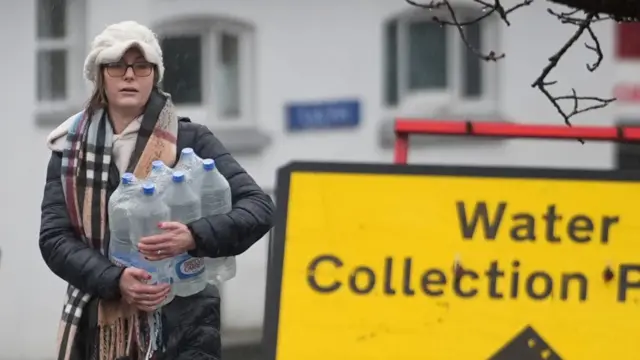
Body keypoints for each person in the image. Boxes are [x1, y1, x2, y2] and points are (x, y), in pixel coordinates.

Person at [39, 20, 274, 360]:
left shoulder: (190, 140)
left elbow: (259, 207)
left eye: (141, 65)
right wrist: (114, 279)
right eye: (117, 65)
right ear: (99, 75)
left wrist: (194, 235)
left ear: (154, 74)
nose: (130, 75)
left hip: (185, 327)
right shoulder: (69, 151)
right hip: (100, 330)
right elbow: (54, 238)